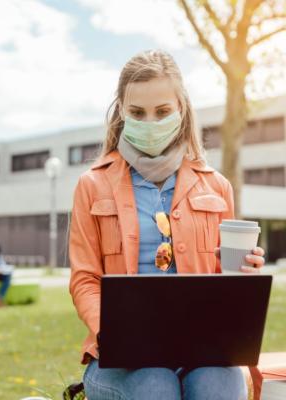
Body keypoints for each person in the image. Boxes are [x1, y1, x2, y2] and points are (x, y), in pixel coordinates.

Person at [68, 49, 266, 400]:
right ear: (121, 113)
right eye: (137, 113)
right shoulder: (92, 185)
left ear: (181, 111)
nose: (150, 122)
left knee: (217, 388)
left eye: (162, 112)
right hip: (120, 361)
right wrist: (111, 332)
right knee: (156, 387)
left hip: (205, 355)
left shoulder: (216, 186)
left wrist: (245, 276)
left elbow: (226, 281)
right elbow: (84, 279)